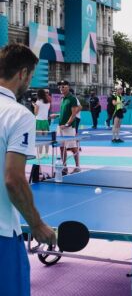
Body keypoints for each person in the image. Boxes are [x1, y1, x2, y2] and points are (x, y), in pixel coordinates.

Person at [0, 43, 56, 295]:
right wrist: (37, 224)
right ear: (22, 73)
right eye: (31, 75)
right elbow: (13, 179)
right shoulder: (18, 115)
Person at [53, 80, 80, 174]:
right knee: (61, 147)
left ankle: (77, 166)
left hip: (69, 127)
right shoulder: (62, 98)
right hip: (60, 127)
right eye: (60, 87)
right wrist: (56, 115)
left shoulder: (72, 98)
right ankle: (64, 167)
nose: (61, 88)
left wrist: (67, 124)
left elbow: (73, 114)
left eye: (63, 86)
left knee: (73, 147)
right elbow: (63, 113)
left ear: (68, 87)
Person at [33, 89, 51, 158]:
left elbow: (36, 113)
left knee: (40, 139)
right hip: (45, 121)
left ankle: (40, 154)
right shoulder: (48, 102)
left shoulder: (38, 102)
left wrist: (35, 106)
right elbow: (45, 111)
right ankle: (46, 154)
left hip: (39, 121)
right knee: (46, 138)